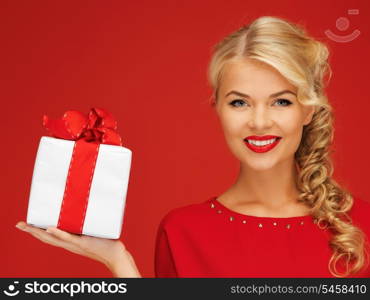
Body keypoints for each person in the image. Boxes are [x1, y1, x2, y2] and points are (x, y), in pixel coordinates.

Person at [16, 15, 370, 278]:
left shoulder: (362, 226)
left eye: (281, 102)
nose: (259, 122)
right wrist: (118, 260)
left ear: (308, 109)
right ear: (217, 107)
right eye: (239, 102)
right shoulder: (183, 231)